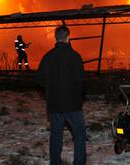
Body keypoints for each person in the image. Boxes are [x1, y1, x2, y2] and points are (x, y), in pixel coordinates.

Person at [37, 26, 86, 165]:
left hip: (55, 105)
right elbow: (81, 81)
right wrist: (79, 97)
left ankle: (55, 163)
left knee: (56, 135)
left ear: (55, 38)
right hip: (73, 105)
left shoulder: (48, 57)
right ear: (68, 37)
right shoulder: (75, 56)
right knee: (80, 134)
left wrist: (51, 89)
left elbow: (39, 79)